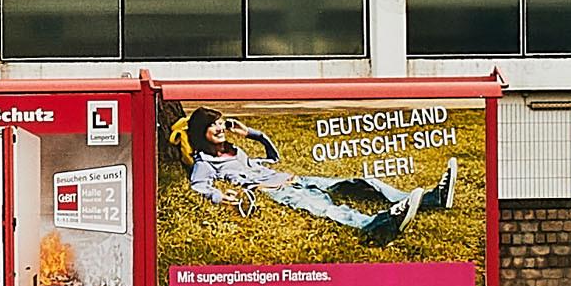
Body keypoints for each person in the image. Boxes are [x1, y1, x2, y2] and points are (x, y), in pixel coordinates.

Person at [171, 106, 459, 246]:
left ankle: (434, 198)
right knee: (327, 208)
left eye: (222, 124)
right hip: (277, 191)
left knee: (360, 183)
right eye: (214, 126)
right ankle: (380, 224)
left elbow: (273, 157)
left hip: (294, 177)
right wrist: (221, 196)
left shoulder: (235, 150)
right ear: (201, 133)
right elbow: (199, 185)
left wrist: (252, 134)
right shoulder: (206, 162)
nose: (221, 129)